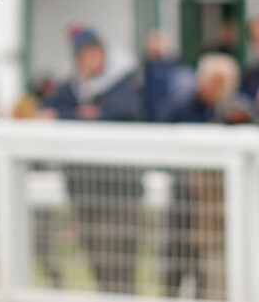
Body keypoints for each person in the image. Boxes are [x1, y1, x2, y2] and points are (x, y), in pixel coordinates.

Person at [39, 25, 145, 294]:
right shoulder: (72, 87)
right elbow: (49, 111)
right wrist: (77, 115)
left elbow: (118, 115)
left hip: (121, 193)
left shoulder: (124, 82)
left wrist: (71, 117)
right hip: (85, 190)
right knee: (96, 261)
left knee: (121, 265)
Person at [161, 53, 255, 298]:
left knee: (212, 278)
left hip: (214, 211)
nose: (222, 91)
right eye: (217, 84)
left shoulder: (233, 107)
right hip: (187, 201)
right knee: (177, 265)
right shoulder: (183, 104)